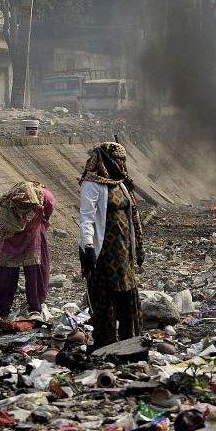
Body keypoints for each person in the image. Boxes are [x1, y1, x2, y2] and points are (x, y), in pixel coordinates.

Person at [78, 142, 145, 349]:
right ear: (108, 160)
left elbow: (132, 217)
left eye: (123, 160)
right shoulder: (92, 184)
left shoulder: (121, 183)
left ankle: (128, 341)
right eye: (118, 160)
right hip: (105, 251)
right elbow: (87, 218)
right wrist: (88, 247)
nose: (121, 164)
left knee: (127, 293)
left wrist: (139, 247)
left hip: (124, 251)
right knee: (106, 295)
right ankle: (105, 343)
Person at [0, 181, 56, 319]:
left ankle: (35, 307)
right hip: (11, 237)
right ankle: (2, 309)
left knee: (34, 270)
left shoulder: (44, 197)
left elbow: (49, 210)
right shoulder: (6, 209)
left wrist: (44, 222)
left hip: (33, 234)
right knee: (5, 269)